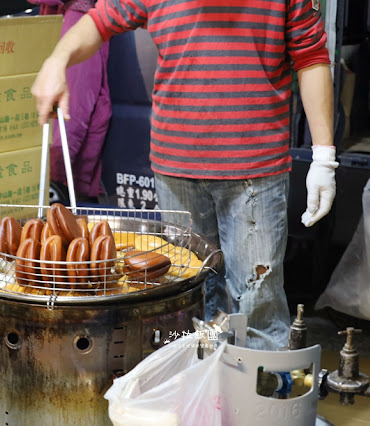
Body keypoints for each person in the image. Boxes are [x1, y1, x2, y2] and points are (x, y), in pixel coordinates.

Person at [31, 0, 338, 350]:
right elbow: (99, 21)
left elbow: (311, 56)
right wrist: (57, 60)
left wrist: (324, 156)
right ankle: (207, 389)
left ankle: (259, 397)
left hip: (255, 171)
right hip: (176, 171)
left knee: (257, 309)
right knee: (194, 298)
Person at [29, 0, 112, 201]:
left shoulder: (80, 19)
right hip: (67, 172)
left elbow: (73, 113)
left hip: (67, 181)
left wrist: (54, 175)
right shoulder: (72, 16)